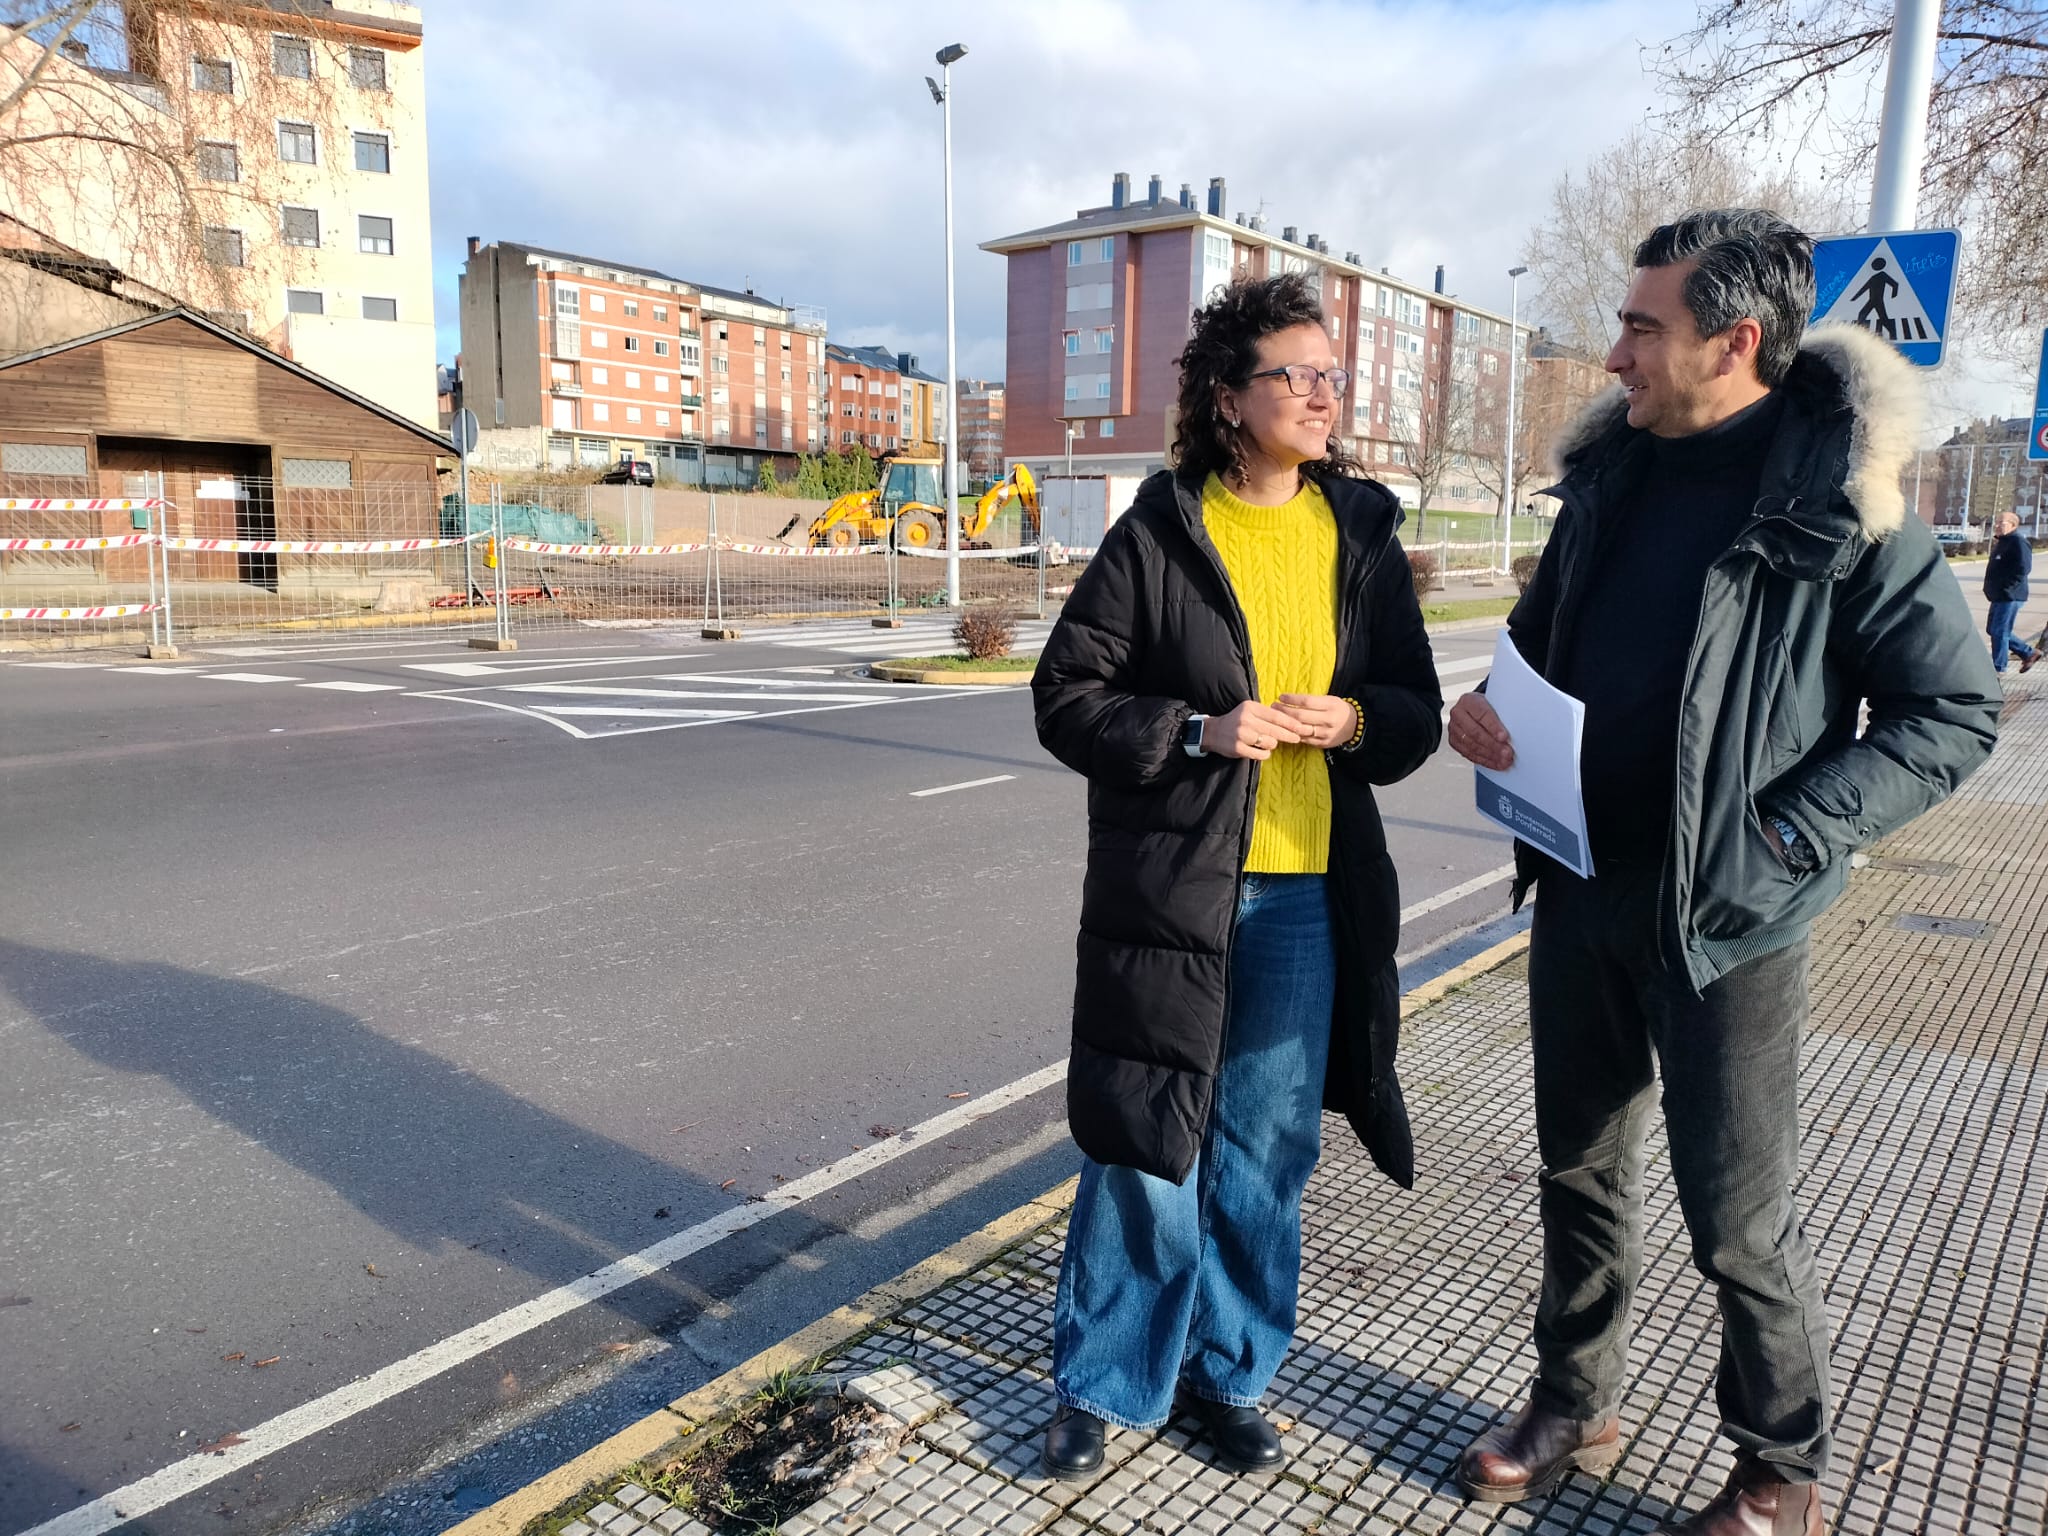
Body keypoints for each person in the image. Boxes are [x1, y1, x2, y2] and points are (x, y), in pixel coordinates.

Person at [1446, 210, 2001, 1535]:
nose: (1617, 354)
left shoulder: (1840, 503)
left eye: (1644, 327)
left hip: (1732, 918)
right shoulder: (1610, 480)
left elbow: (1953, 714)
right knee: (1577, 1167)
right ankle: (1574, 1396)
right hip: (1581, 886)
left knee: (1737, 1222)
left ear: (1732, 341)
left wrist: (1789, 840)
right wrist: (1489, 708)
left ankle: (1779, 1475)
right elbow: (1537, 642)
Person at [1031, 272, 1442, 1481]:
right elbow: (1065, 699)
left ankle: (1229, 1373)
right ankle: (1100, 1385)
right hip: (1171, 891)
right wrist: (1198, 733)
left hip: (1309, 894)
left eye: (1330, 376)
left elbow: (1412, 716)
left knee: (1264, 1150)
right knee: (1144, 1139)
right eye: (1296, 374)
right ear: (1228, 397)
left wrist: (1357, 721)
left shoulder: (1359, 530)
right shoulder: (1159, 530)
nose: (1323, 394)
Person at [1984, 509, 2039, 674]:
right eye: (1997, 522)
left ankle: (1999, 668)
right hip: (1999, 595)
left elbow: (2023, 568)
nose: (1997, 525)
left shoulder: (2017, 542)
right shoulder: (2003, 542)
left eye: (2002, 522)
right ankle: (2028, 653)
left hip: (2010, 595)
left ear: (2013, 525)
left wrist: (2008, 587)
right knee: (1993, 629)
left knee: (2000, 631)